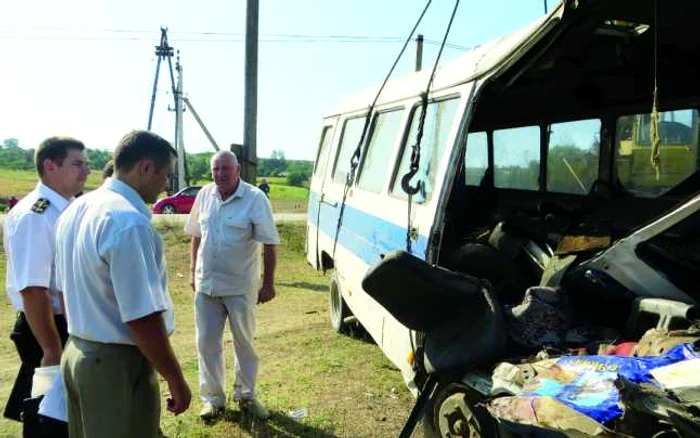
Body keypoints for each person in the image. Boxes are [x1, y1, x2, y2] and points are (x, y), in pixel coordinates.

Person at [55, 130, 191, 438]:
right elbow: (141, 317)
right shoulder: (127, 221)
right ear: (145, 167)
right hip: (114, 365)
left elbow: (66, 289)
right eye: (165, 175)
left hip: (78, 349)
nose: (166, 185)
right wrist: (174, 377)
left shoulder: (78, 208)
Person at [3, 137, 90, 436]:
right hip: (47, 326)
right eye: (77, 164)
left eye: (87, 164)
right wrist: (51, 349)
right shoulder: (35, 215)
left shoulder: (69, 208)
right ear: (50, 166)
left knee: (66, 414)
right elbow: (33, 289)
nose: (86, 172)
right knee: (47, 419)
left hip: (66, 321)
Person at [185, 151, 279, 420]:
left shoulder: (255, 198)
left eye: (226, 169)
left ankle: (246, 396)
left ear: (238, 169)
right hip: (206, 287)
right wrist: (193, 272)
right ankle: (213, 400)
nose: (220, 174)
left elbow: (269, 243)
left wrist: (268, 283)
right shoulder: (205, 194)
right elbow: (195, 236)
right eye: (215, 169)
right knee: (206, 344)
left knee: (244, 343)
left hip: (240, 286)